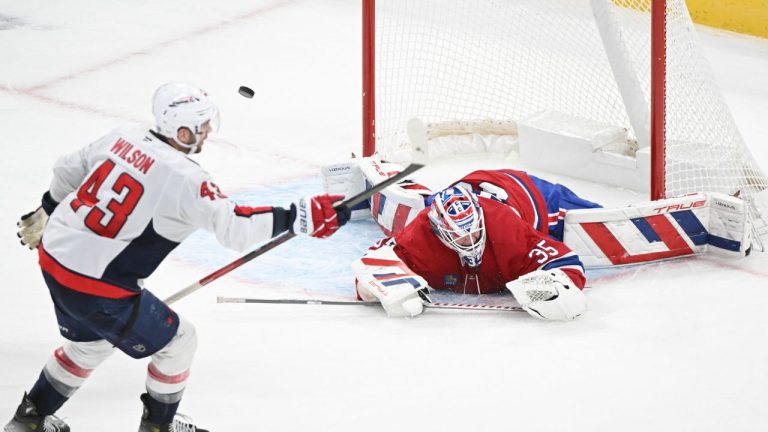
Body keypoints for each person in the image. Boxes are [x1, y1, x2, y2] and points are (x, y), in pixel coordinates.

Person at [8, 82, 349, 432]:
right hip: (97, 284)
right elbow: (234, 227)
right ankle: (159, 427)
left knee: (89, 345)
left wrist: (47, 208)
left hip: (54, 258)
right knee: (179, 342)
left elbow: (67, 170)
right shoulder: (185, 177)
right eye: (202, 126)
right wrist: (298, 216)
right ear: (182, 132)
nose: (209, 131)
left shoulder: (122, 136)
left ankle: (27, 421)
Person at [352, 168, 600, 321]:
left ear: (481, 219)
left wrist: (555, 287)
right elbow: (374, 258)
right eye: (461, 236)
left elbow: (565, 260)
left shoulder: (505, 229)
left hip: (523, 190)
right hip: (467, 192)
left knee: (580, 213)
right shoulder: (420, 236)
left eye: (475, 232)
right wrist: (373, 289)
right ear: (440, 230)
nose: (471, 241)